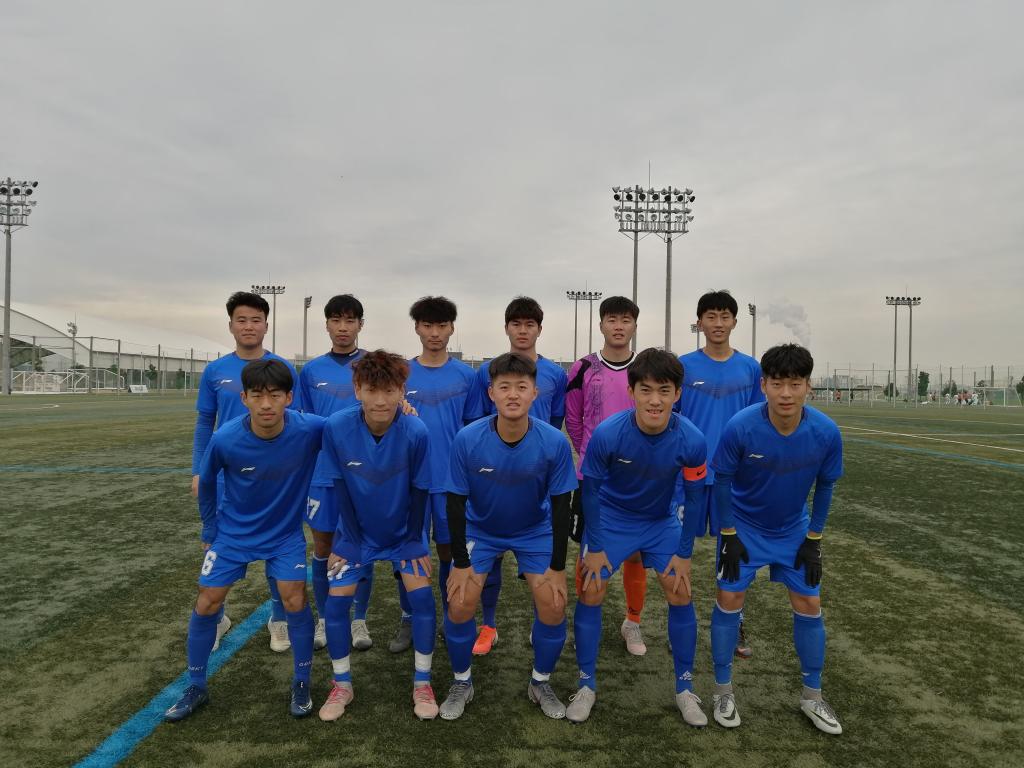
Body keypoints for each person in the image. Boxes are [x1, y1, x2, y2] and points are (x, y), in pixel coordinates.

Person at [166, 359, 323, 722]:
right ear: (245, 398)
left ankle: (301, 682)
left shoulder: (309, 429)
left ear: (289, 398)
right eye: (257, 396)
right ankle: (196, 686)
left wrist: (403, 410)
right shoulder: (226, 438)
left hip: (284, 535)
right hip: (233, 534)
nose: (266, 404)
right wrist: (210, 531)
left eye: (275, 395)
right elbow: (206, 484)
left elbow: (352, 424)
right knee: (208, 600)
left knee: (295, 598)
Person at [566, 348, 709, 727]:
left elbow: (695, 500)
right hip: (612, 519)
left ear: (678, 393)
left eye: (664, 390)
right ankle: (586, 685)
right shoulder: (608, 434)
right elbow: (590, 493)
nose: (655, 400)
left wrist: (684, 554)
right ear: (631, 392)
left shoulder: (692, 439)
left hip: (660, 521)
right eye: (646, 390)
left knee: (680, 589)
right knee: (591, 587)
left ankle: (685, 689)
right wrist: (595, 546)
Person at [709, 344, 844, 734]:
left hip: (793, 530)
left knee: (809, 602)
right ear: (764, 385)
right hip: (744, 529)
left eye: (795, 384)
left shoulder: (825, 432)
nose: (786, 393)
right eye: (778, 384)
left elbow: (826, 486)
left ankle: (812, 697)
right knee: (729, 598)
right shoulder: (741, 426)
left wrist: (814, 538)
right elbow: (722, 481)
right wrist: (728, 534)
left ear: (808, 387)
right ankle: (722, 691)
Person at [439, 353, 577, 720]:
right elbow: (455, 503)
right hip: (481, 529)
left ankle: (540, 681)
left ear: (534, 392)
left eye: (521, 387)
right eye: (504, 387)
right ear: (491, 393)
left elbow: (561, 507)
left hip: (534, 530)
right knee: (460, 602)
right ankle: (462, 682)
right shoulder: (468, 439)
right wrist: (460, 563)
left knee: (553, 604)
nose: (513, 394)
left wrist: (558, 568)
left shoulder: (554, 442)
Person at [316, 350, 440, 721]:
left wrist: (415, 541)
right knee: (336, 605)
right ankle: (342, 684)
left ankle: (422, 682)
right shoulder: (337, 427)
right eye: (372, 390)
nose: (381, 400)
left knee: (422, 599)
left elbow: (420, 491)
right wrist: (349, 541)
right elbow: (339, 486)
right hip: (356, 534)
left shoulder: (416, 431)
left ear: (402, 391)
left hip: (404, 535)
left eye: (389, 390)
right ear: (357, 390)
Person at [190, 291, 304, 653]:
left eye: (256, 320)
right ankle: (217, 618)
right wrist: (199, 470)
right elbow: (205, 423)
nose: (249, 326)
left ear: (266, 325)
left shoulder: (282, 368)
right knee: (218, 545)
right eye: (242, 320)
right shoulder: (216, 370)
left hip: (274, 476)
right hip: (229, 476)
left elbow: (297, 422)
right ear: (231, 326)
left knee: (279, 547)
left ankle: (279, 620)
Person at [468, 296, 568, 655]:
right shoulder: (487, 371)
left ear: (539, 329)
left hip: (536, 477)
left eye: (530, 324)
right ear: (506, 328)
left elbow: (555, 421)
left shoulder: (555, 373)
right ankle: (488, 625)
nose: (523, 331)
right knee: (490, 556)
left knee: (538, 563)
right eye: (516, 324)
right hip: (493, 476)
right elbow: (476, 421)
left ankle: (540, 626)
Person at [676, 290, 764, 659]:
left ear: (734, 322)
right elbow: (673, 420)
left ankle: (733, 621)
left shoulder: (750, 368)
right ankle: (680, 623)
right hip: (689, 477)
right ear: (699, 322)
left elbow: (758, 422)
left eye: (724, 316)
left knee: (731, 554)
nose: (717, 323)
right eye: (710, 316)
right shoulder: (683, 366)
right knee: (678, 551)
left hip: (734, 478)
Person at [565, 295, 650, 656]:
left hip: (638, 476)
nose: (618, 326)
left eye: (625, 320)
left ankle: (632, 621)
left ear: (634, 326)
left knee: (636, 554)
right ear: (600, 325)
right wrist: (591, 455)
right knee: (589, 551)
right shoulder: (583, 367)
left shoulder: (645, 369)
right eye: (612, 320)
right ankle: (586, 621)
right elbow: (573, 418)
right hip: (593, 478)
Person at [402, 296, 480, 644]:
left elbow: (474, 429)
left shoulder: (467, 375)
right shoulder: (402, 373)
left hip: (452, 481)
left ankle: (451, 613)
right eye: (428, 325)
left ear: (451, 329)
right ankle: (408, 617)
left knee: (450, 549)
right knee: (409, 548)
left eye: (441, 326)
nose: (435, 333)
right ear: (417, 328)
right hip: (411, 480)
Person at [297, 294, 372, 653]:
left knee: (362, 545)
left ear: (360, 324)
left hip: (365, 474)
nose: (343, 328)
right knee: (323, 546)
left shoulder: (371, 365)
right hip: (322, 475)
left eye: (350, 320)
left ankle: (359, 619)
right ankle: (326, 618)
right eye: (336, 320)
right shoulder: (311, 371)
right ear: (326, 324)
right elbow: (302, 424)